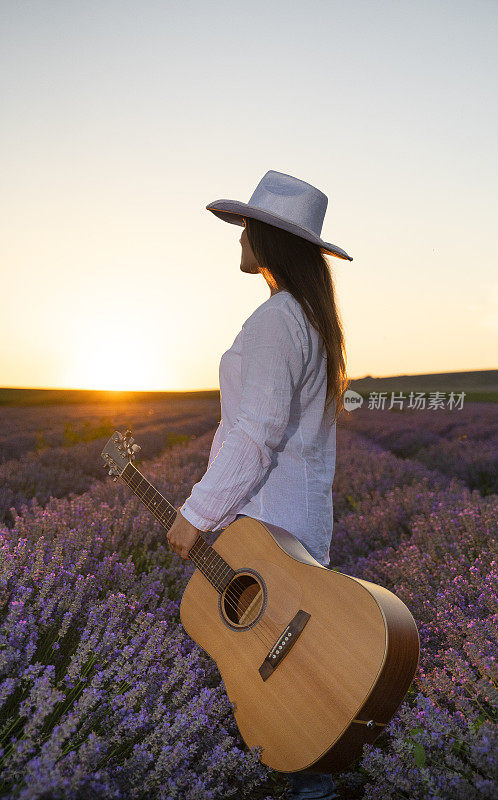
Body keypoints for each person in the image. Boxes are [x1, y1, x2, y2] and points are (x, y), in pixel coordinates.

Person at [167, 169, 353, 800]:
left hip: (268, 533)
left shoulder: (277, 320)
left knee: (275, 688)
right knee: (299, 692)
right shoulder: (312, 319)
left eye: (249, 226)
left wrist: (197, 512)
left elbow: (256, 433)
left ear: (273, 240)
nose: (240, 235)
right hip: (294, 531)